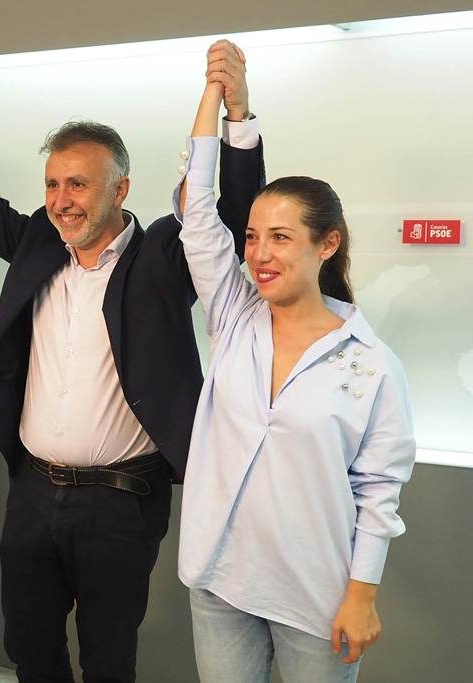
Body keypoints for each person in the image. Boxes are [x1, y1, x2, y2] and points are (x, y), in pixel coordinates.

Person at [0, 44, 264, 682]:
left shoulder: (164, 256)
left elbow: (233, 215)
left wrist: (236, 115)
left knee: (107, 659)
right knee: (30, 649)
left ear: (120, 188)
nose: (61, 200)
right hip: (32, 492)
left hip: (122, 502)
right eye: (52, 184)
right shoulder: (38, 243)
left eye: (78, 184)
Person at [176, 56, 416, 683]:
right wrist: (221, 98)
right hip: (220, 580)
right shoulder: (234, 317)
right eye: (253, 237)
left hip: (316, 597)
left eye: (280, 237)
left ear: (326, 244)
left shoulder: (370, 364)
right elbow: (197, 211)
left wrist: (362, 594)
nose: (259, 253)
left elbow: (378, 489)